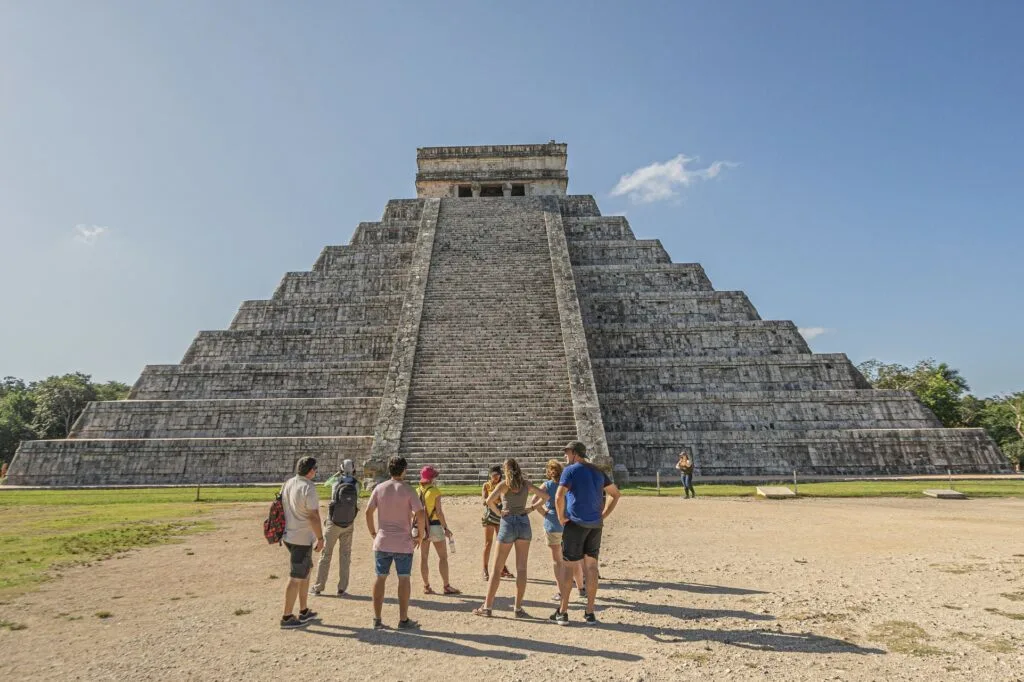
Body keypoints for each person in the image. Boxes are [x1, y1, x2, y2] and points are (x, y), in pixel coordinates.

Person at [551, 441, 621, 626]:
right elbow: (615, 494)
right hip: (595, 525)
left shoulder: (571, 470)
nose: (565, 456)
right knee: (591, 567)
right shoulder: (598, 471)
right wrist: (603, 514)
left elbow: (559, 496)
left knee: (568, 566)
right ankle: (589, 612)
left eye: (567, 453)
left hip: (576, 523)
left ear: (574, 453)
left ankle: (563, 612)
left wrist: (560, 517)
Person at [473, 458, 549, 618]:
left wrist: (499, 512)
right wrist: (532, 508)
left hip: (508, 522)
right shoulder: (525, 483)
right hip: (523, 521)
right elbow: (545, 496)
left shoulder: (504, 485)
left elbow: (488, 501)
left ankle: (487, 607)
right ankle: (518, 608)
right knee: (521, 568)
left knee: (496, 568)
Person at [365, 456, 425, 630]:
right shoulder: (408, 490)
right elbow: (420, 514)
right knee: (404, 579)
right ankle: (403, 619)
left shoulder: (379, 488)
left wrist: (373, 533)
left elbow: (368, 512)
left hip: (383, 540)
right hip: (403, 542)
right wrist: (420, 535)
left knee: (380, 578)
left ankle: (376, 618)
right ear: (404, 470)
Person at [280, 456, 325, 629]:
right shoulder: (308, 488)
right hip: (302, 538)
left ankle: (304, 610)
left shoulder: (289, 483)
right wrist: (320, 538)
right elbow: (313, 516)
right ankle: (287, 616)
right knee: (296, 577)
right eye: (315, 469)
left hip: (289, 535)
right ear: (311, 470)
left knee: (305, 572)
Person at [531, 459, 585, 601]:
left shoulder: (547, 485)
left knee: (557, 560)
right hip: (569, 522)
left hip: (553, 523)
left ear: (549, 472)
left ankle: (561, 591)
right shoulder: (569, 484)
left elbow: (533, 502)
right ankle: (581, 588)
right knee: (574, 559)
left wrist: (545, 513)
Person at [311, 459, 359, 596]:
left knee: (326, 555)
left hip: (333, 522)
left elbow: (326, 484)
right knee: (345, 556)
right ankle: (342, 588)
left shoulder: (336, 481)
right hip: (349, 523)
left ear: (341, 468)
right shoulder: (356, 484)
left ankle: (319, 587)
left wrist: (337, 474)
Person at [416, 466, 461, 595]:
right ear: (431, 478)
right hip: (435, 526)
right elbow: (439, 512)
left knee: (423, 558)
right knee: (443, 557)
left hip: (422, 527)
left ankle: (426, 586)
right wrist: (445, 528)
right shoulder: (435, 491)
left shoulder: (417, 491)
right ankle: (446, 586)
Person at [480, 464, 514, 581]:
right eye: (494, 475)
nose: (496, 477)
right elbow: (485, 501)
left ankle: (502, 568)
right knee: (488, 543)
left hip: (500, 516)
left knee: (502, 543)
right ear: (490, 475)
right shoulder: (486, 485)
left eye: (497, 475)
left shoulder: (503, 485)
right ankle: (485, 568)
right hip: (490, 516)